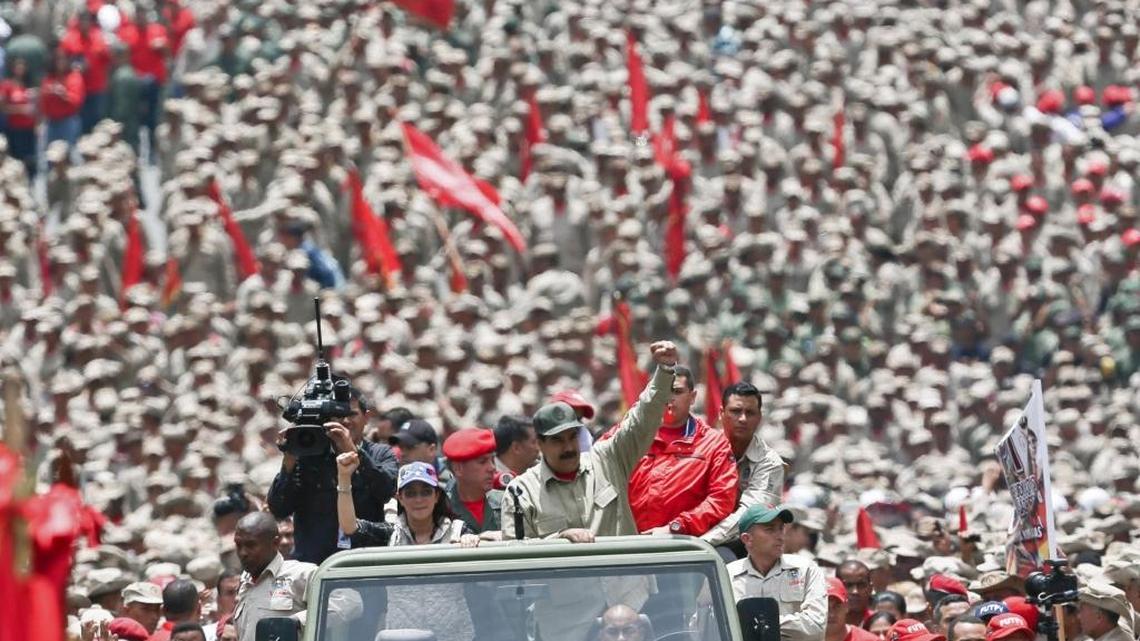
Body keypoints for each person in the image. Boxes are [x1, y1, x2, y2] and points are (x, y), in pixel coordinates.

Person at [501, 340, 679, 541]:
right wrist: (559, 539)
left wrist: (664, 371)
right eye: (558, 441)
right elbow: (517, 555)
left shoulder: (607, 459)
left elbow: (643, 418)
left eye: (572, 437)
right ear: (540, 444)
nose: (568, 447)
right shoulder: (522, 491)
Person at [267, 384, 398, 564]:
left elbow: (386, 491)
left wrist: (353, 452)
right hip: (314, 566)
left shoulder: (380, 454)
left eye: (351, 414)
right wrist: (289, 459)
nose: (344, 422)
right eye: (336, 416)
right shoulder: (307, 455)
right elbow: (278, 508)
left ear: (367, 417)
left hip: (365, 562)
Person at [626, 364, 737, 538]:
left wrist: (677, 527)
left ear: (692, 397)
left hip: (684, 545)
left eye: (677, 392)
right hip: (629, 543)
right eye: (662, 391)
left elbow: (722, 500)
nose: (669, 397)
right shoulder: (629, 435)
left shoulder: (713, 443)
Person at [702, 381, 785, 558]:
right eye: (735, 411)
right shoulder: (699, 450)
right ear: (721, 413)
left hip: (740, 544)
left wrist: (703, 542)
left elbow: (750, 515)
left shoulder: (769, 463)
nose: (742, 419)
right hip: (693, 532)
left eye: (750, 413)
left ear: (759, 417)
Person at [727, 504, 827, 641]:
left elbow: (816, 626)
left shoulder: (806, 569)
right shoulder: (726, 575)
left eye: (781, 529)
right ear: (747, 539)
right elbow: (706, 624)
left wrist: (761, 623)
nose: (780, 536)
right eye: (770, 529)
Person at [336, 458, 480, 547]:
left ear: (436, 496)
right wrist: (344, 477)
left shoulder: (458, 531)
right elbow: (350, 528)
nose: (418, 500)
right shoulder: (391, 534)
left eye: (426, 492)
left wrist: (472, 539)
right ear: (400, 498)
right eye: (410, 493)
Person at [442, 428, 503, 535]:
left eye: (492, 460)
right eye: (482, 462)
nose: (492, 468)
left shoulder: (506, 501)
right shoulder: (441, 509)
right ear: (458, 469)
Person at [58, 9, 111, 133]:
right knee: (77, 122)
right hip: (76, 89)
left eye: (87, 21)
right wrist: (73, 67)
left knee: (95, 122)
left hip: (95, 87)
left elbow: (108, 61)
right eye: (82, 21)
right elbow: (60, 61)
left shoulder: (99, 38)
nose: (84, 24)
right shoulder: (69, 39)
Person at [0, 56, 38, 177]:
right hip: (14, 129)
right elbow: (3, 107)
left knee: (30, 160)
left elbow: (38, 108)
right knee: (16, 160)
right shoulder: (8, 85)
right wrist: (21, 110)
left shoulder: (29, 85)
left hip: (29, 129)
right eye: (18, 66)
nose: (20, 69)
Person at [40, 47, 85, 150]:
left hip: (67, 121)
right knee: (50, 154)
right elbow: (43, 98)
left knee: (69, 152)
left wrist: (63, 95)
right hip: (51, 122)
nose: (60, 62)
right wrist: (50, 92)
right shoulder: (49, 77)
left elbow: (77, 101)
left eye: (63, 59)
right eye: (58, 59)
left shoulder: (74, 77)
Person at [492, 414, 540, 484]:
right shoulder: (488, 478)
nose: (538, 448)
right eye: (534, 442)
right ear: (516, 448)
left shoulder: (536, 471)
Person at [837, 561, 874, 627]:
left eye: (861, 585)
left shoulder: (880, 625)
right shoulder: (824, 625)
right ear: (836, 587)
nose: (855, 591)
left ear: (870, 589)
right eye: (848, 585)